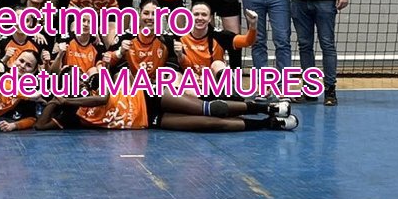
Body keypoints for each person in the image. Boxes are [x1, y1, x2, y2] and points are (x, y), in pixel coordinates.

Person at [35, 78, 298, 132]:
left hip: (148, 97)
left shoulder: (87, 87)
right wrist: (52, 103)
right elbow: (40, 126)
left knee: (207, 107)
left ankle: (266, 107)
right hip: (147, 121)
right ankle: (268, 124)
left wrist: (67, 98)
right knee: (211, 124)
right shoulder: (68, 115)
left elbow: (102, 99)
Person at [176, 4, 258, 78]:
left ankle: (228, 87)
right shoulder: (180, 37)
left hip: (213, 79)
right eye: (196, 14)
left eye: (204, 15)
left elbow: (247, 41)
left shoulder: (220, 36)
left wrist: (253, 25)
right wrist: (180, 55)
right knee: (176, 75)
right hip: (189, 78)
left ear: (209, 19)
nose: (200, 18)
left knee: (218, 64)